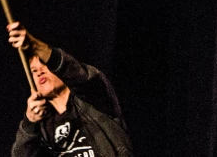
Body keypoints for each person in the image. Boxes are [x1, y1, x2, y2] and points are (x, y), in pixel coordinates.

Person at [7, 21, 133, 157]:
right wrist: (30, 122)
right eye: (34, 70)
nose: (39, 72)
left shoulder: (93, 100)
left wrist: (35, 46)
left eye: (44, 65)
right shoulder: (42, 128)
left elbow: (82, 78)